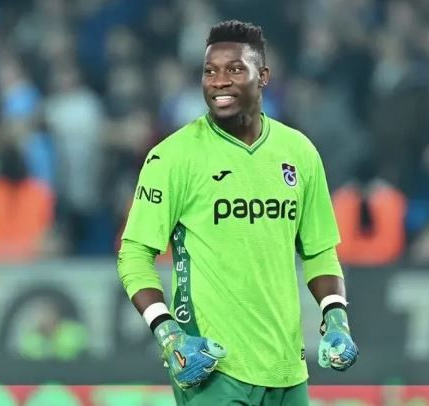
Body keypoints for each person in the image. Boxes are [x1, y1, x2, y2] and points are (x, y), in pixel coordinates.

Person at [117, 20, 358, 405]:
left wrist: (336, 318)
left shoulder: (299, 153)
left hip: (287, 368)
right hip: (212, 368)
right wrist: (168, 334)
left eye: (234, 69)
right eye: (210, 71)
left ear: (263, 77)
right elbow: (133, 255)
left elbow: (318, 251)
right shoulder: (172, 157)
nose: (219, 82)